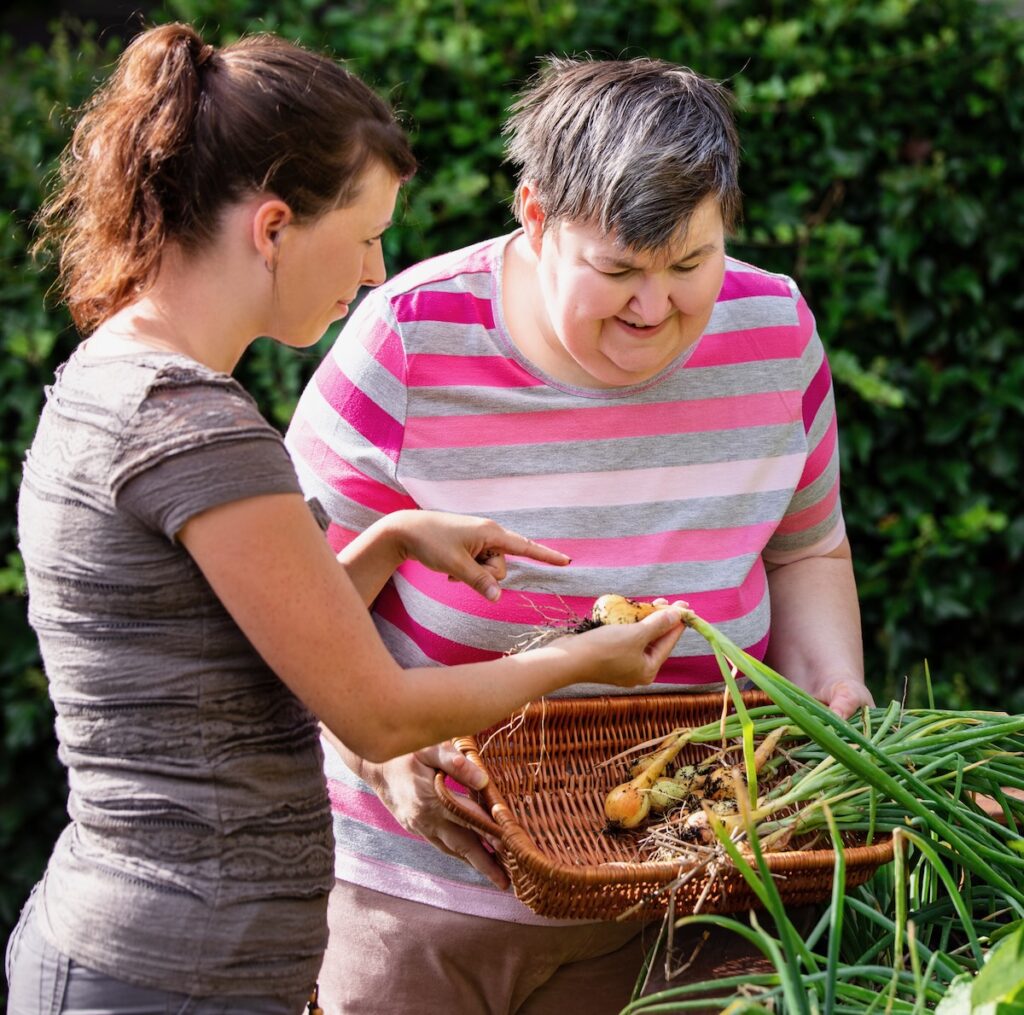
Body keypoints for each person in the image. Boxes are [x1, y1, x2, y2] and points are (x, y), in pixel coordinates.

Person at [4, 29, 690, 1015]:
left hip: (154, 955)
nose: (375, 272)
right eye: (365, 234)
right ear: (274, 226)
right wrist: (585, 659)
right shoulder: (192, 422)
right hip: (172, 971)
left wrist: (395, 539)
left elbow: (243, 643)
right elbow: (374, 709)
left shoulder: (123, 376)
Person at [284, 56, 875, 1013]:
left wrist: (832, 684)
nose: (654, 309)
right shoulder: (408, 339)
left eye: (690, 265)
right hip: (424, 899)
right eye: (619, 271)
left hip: (698, 891)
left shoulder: (775, 332)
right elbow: (287, 612)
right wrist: (378, 747)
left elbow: (806, 548)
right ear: (535, 216)